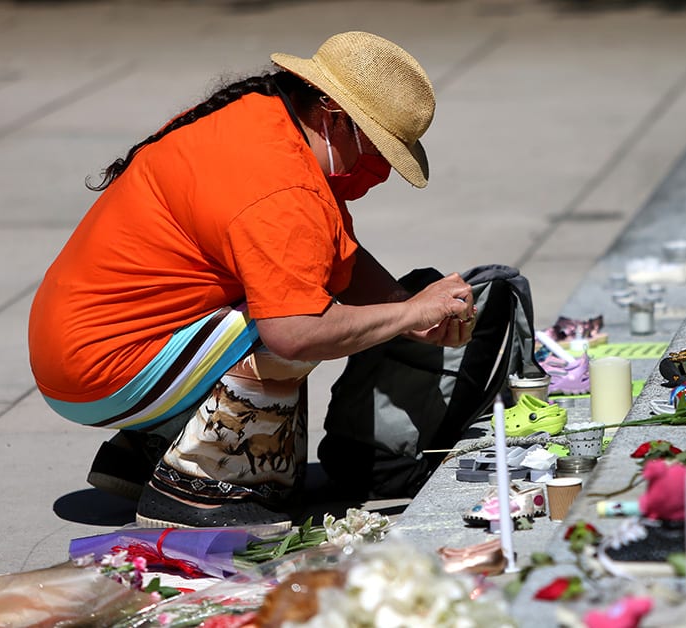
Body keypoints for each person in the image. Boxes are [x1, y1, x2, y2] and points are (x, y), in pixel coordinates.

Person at [28, 31, 475, 533]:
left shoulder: (261, 118)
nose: (380, 170)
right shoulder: (283, 187)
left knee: (292, 289)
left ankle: (149, 449)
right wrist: (410, 313)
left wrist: (401, 304)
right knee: (296, 312)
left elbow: (332, 256)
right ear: (333, 117)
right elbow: (297, 330)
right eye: (377, 146)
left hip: (76, 346)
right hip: (103, 370)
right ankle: (206, 491)